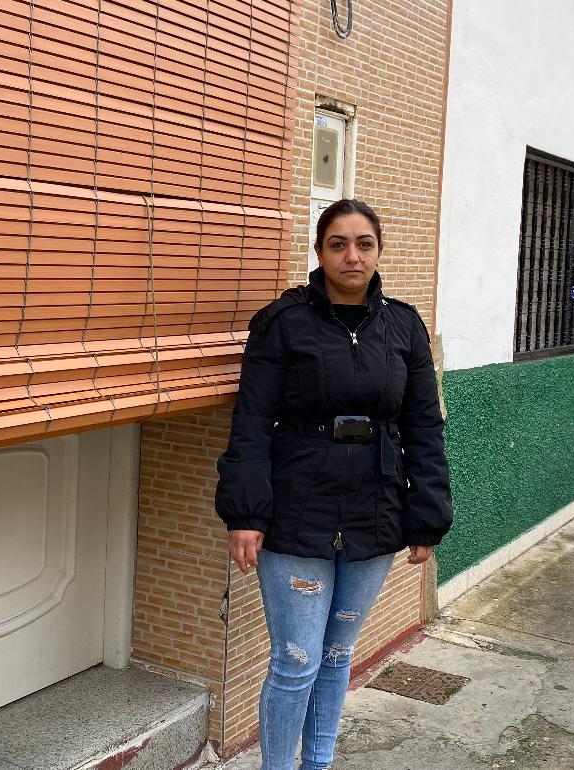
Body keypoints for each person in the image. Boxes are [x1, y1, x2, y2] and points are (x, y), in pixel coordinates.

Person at [215, 199, 454, 769]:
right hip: (299, 507)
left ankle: (316, 763)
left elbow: (424, 424)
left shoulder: (404, 325)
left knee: (338, 652)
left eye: (364, 243)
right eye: (338, 244)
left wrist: (428, 513)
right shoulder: (283, 323)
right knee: (296, 659)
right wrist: (245, 513)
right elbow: (250, 420)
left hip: (376, 507)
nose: (352, 255)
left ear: (378, 251)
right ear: (319, 253)